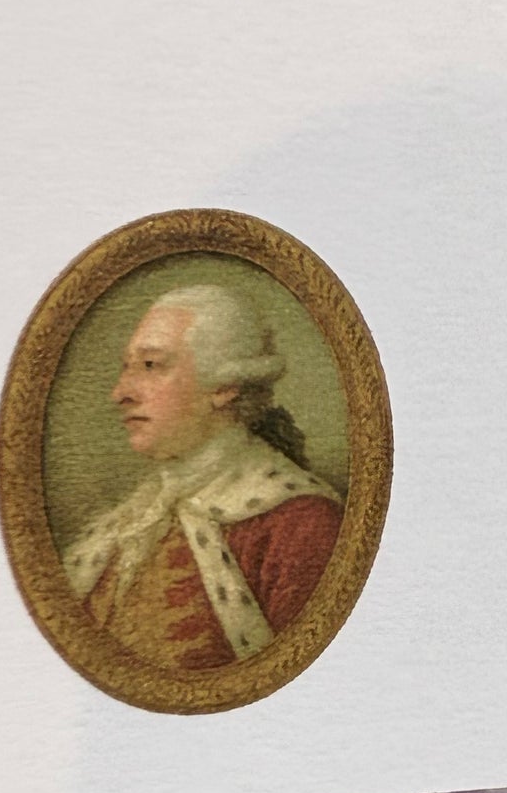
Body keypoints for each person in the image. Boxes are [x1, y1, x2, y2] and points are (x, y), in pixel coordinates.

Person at [62, 283, 343, 674]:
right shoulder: (127, 526)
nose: (120, 393)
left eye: (150, 365)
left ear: (225, 387)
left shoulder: (302, 528)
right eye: (127, 367)